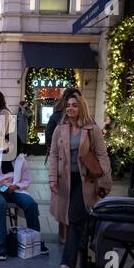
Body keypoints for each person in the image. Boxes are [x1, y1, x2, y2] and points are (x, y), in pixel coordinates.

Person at [48, 93, 112, 268]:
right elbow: (53, 155)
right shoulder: (60, 128)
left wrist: (106, 181)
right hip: (66, 180)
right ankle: (83, 252)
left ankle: (68, 264)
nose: (70, 108)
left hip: (86, 181)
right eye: (68, 105)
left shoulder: (92, 128)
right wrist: (53, 178)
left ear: (81, 107)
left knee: (75, 219)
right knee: (76, 219)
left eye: (75, 105)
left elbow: (102, 155)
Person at [0, 139, 49, 260]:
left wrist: (16, 186)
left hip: (13, 188)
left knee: (31, 204)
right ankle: (0, 246)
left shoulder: (20, 160)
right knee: (0, 203)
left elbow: (26, 180)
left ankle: (35, 241)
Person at [44, 87, 82, 245]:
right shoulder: (58, 119)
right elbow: (51, 145)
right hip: (63, 169)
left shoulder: (85, 121)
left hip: (77, 170)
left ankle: (65, 235)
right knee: (66, 203)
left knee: (67, 204)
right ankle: (67, 236)